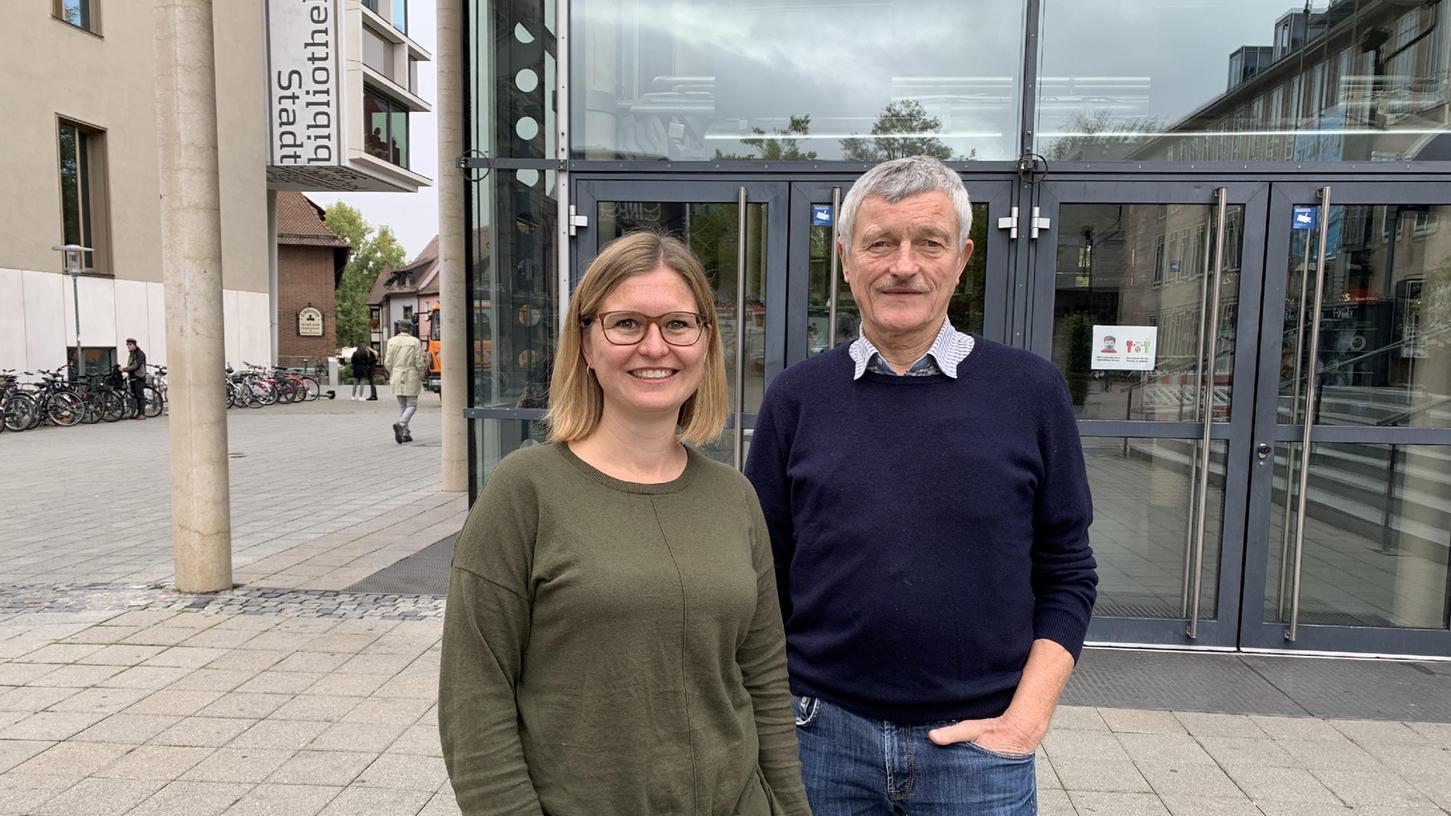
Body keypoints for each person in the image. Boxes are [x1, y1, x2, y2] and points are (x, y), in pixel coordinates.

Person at [745, 155, 1097, 815]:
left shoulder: (1030, 391)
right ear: (847, 259)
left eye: (927, 243)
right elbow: (762, 573)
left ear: (960, 259)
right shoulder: (796, 398)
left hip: (976, 749)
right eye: (880, 243)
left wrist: (1024, 722)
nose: (902, 265)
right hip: (818, 741)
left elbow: (1068, 570)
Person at [439, 232, 810, 816]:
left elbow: (763, 678)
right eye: (627, 324)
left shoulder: (733, 496)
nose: (655, 346)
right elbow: (474, 699)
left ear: (706, 342)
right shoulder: (525, 490)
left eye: (678, 325)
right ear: (586, 344)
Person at [383, 322, 428, 443]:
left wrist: (393, 372)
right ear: (410, 329)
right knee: (412, 404)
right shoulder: (415, 342)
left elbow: (387, 361)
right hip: (410, 373)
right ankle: (401, 425)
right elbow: (418, 360)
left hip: (396, 374)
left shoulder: (391, 341)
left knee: (403, 405)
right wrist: (422, 373)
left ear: (399, 328)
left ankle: (405, 433)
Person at [122, 338, 147, 420]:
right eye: (127, 345)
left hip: (139, 377)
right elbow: (130, 364)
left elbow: (136, 365)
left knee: (140, 395)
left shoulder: (140, 353)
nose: (128, 346)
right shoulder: (132, 354)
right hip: (132, 377)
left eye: (130, 344)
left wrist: (124, 369)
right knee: (135, 396)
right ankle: (138, 413)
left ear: (134, 345)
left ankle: (142, 414)